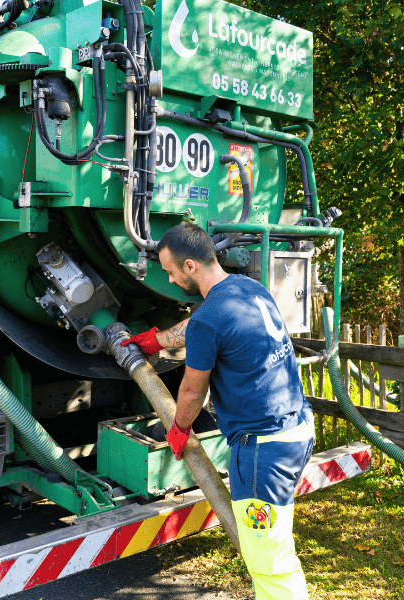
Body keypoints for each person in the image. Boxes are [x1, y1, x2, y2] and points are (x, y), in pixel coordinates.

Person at [121, 222, 314, 600]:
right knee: (275, 545)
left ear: (190, 266)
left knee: (269, 562)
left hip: (263, 450)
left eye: (172, 271)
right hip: (296, 429)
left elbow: (193, 391)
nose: (172, 280)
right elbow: (199, 324)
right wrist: (156, 341)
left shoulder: (211, 316)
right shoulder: (247, 288)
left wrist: (178, 429)